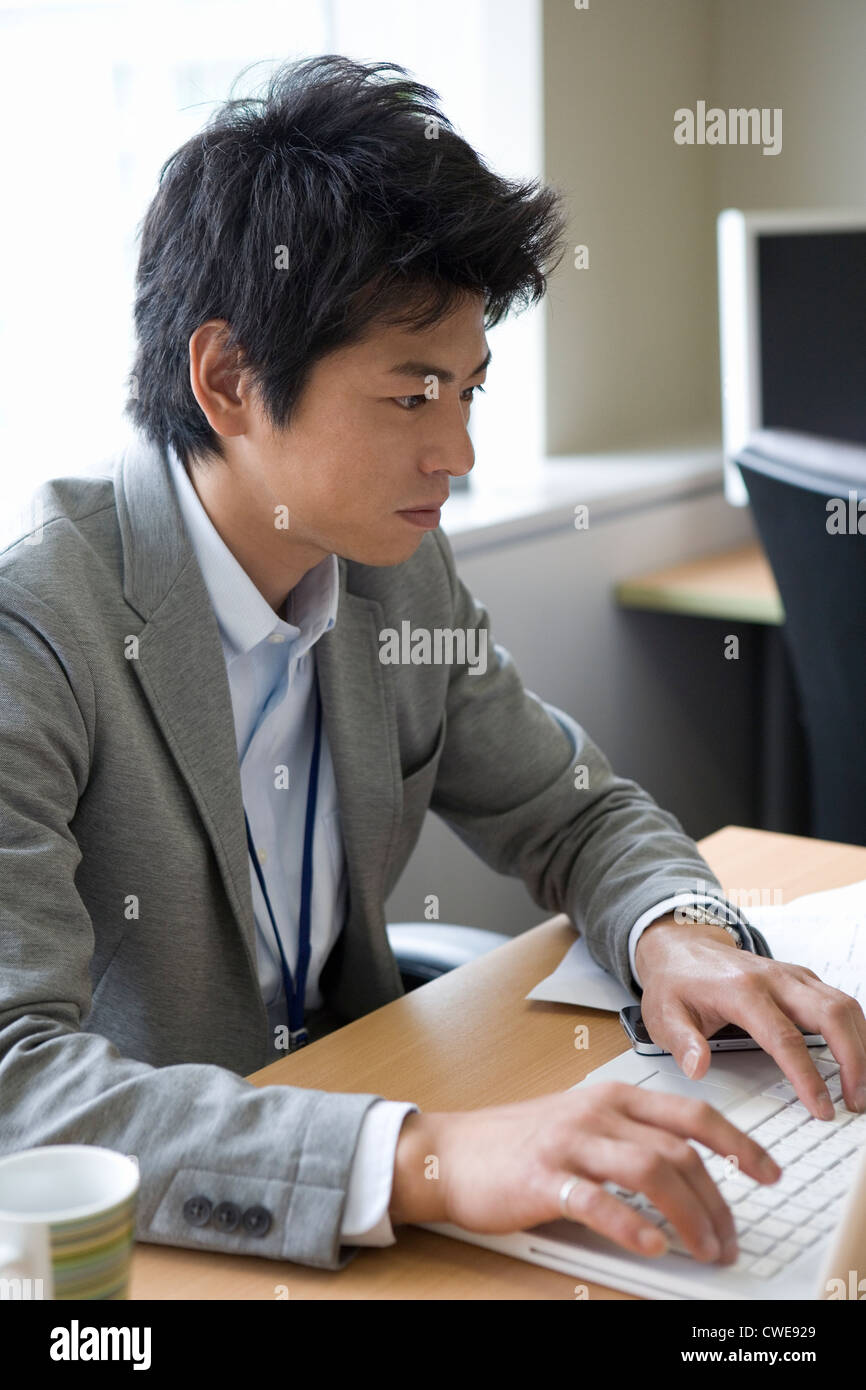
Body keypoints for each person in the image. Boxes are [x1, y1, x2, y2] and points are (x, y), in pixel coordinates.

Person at [1, 54, 864, 1276]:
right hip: (159, 1238)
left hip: (365, 1175)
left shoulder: (389, 567)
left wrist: (678, 929)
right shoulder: (35, 621)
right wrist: (433, 1155)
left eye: (466, 389)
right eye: (411, 396)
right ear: (229, 378)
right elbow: (16, 1083)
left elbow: (573, 812)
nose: (454, 452)